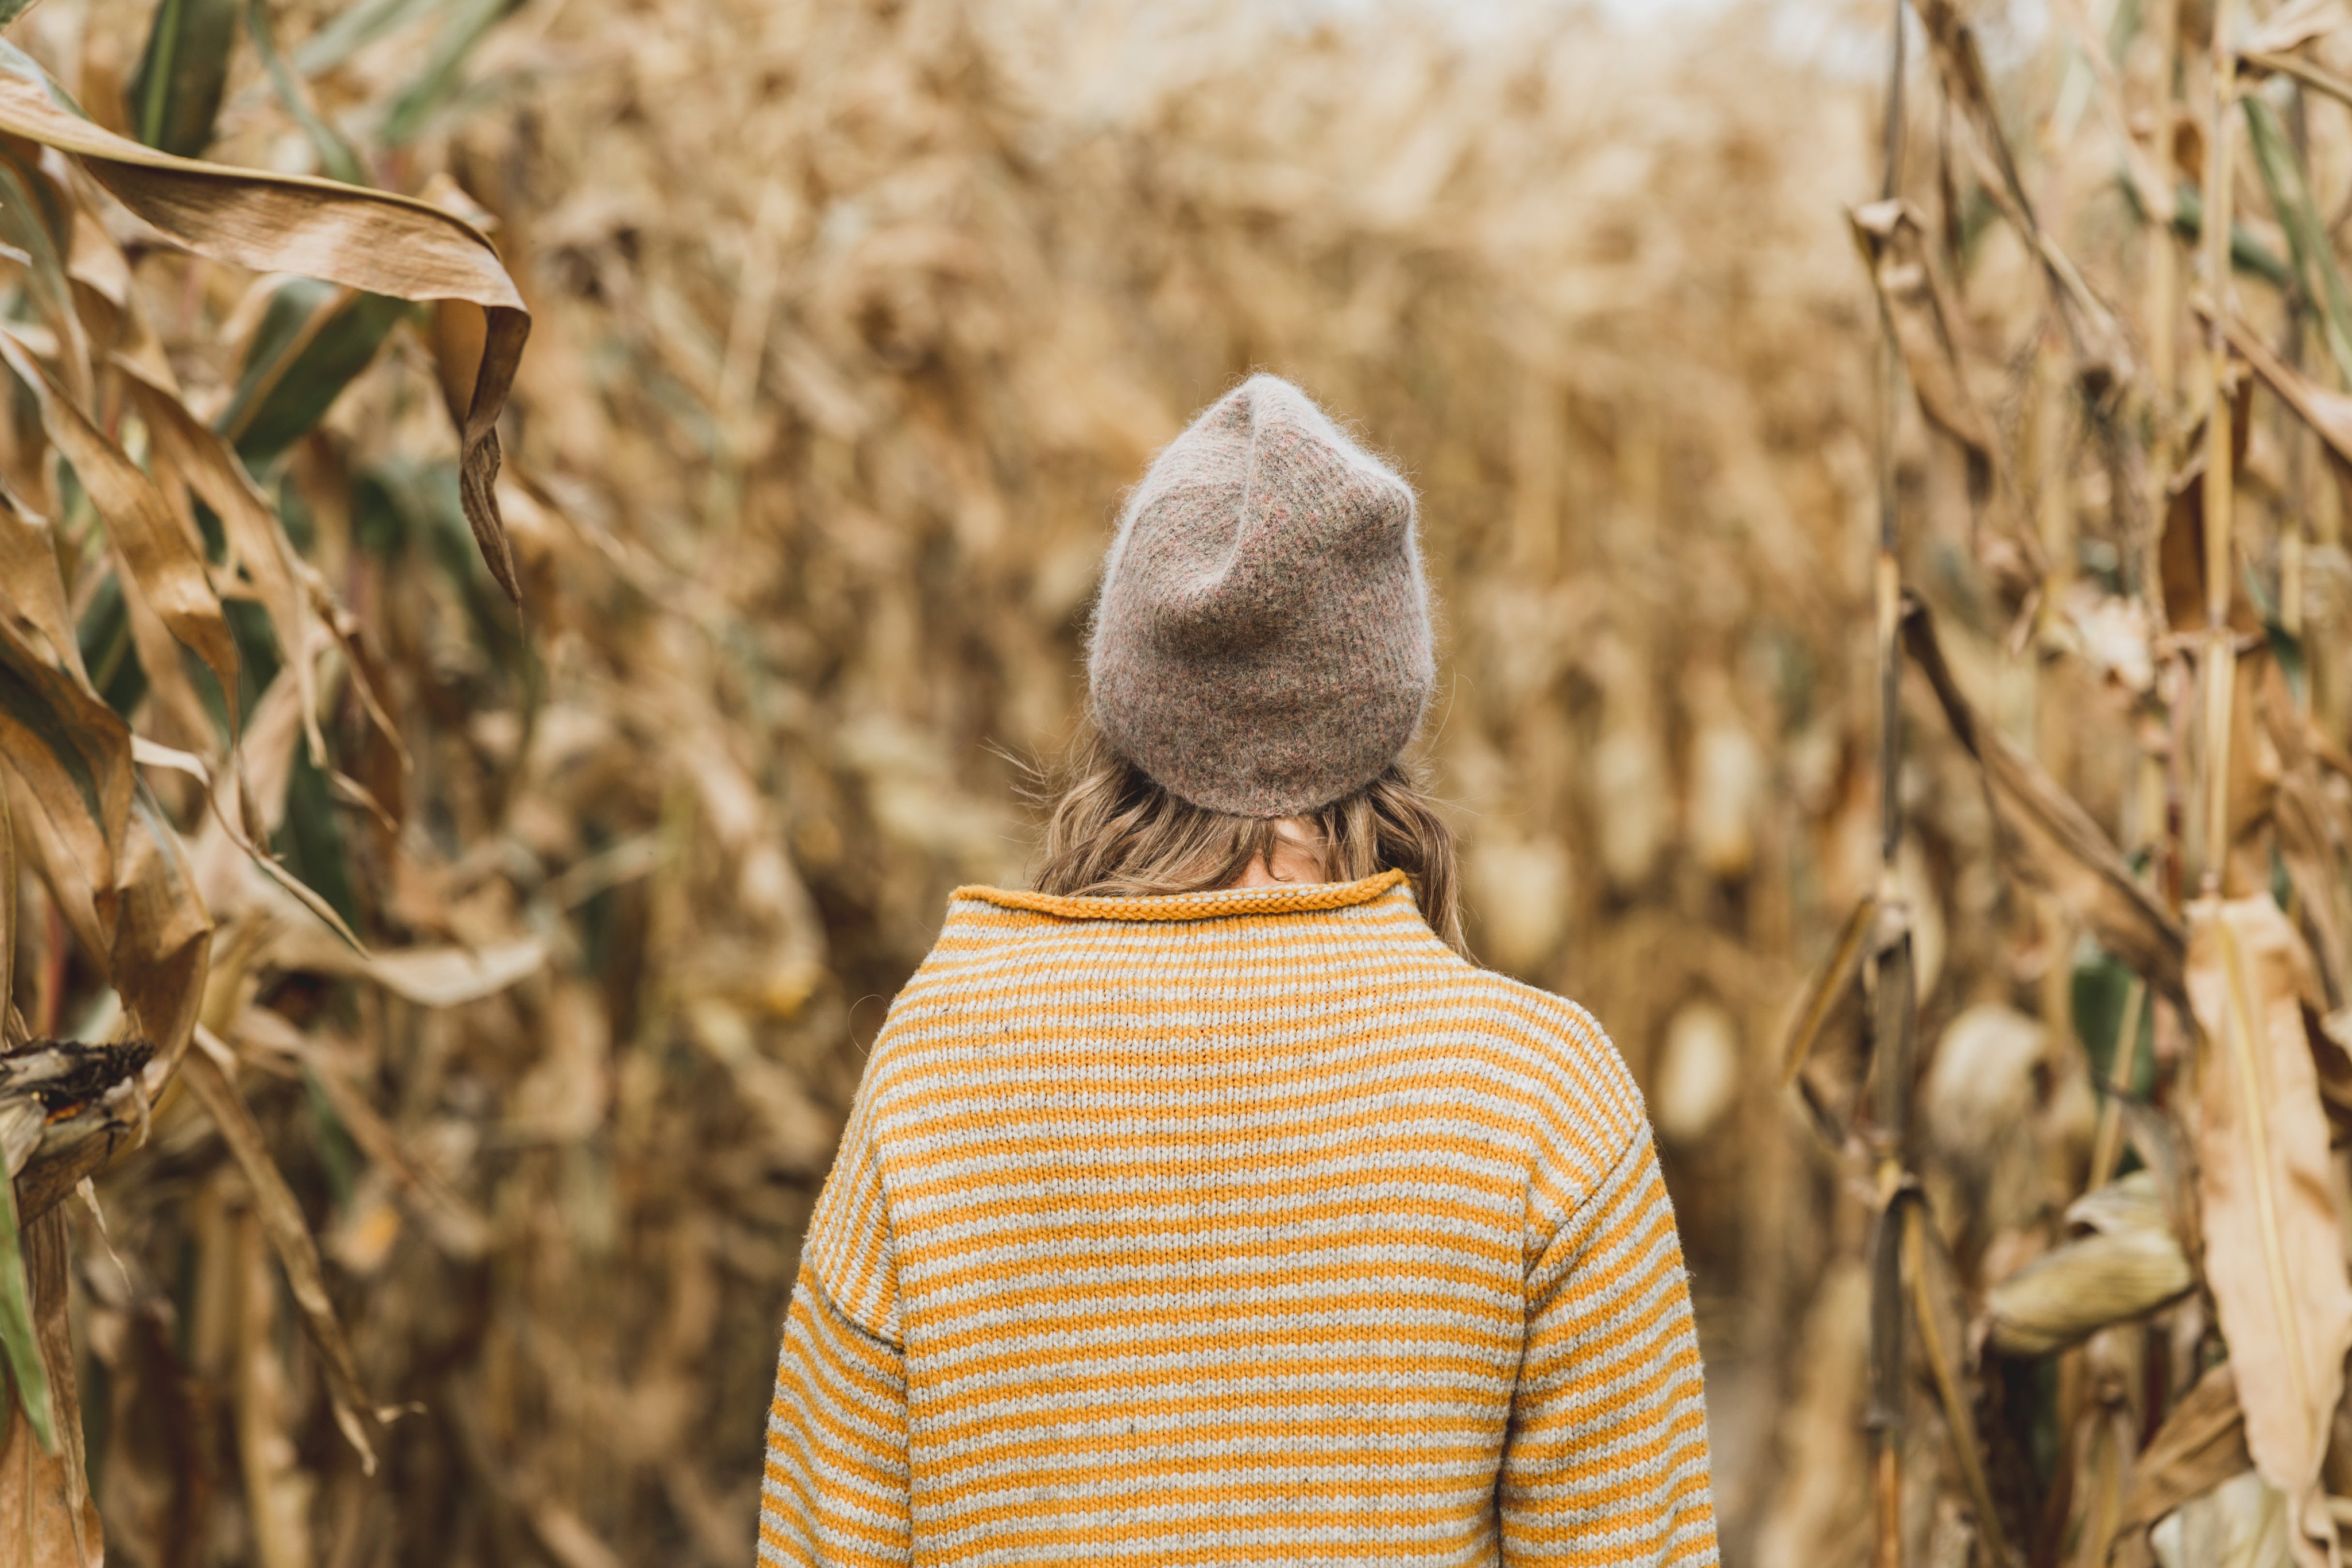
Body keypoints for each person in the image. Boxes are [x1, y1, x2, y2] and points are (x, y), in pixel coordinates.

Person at [756, 374, 1719, 1565]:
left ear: (1126, 700)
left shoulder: (940, 1064)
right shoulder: (1538, 1099)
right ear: (1383, 707)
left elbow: (821, 1546)